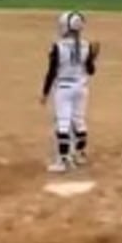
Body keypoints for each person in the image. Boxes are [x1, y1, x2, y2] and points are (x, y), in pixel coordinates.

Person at [40, 11, 99, 173]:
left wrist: (45, 92)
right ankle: (80, 155)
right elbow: (91, 71)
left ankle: (63, 160)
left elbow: (52, 72)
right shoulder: (86, 46)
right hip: (81, 89)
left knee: (63, 123)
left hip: (64, 89)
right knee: (79, 121)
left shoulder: (58, 46)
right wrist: (92, 59)